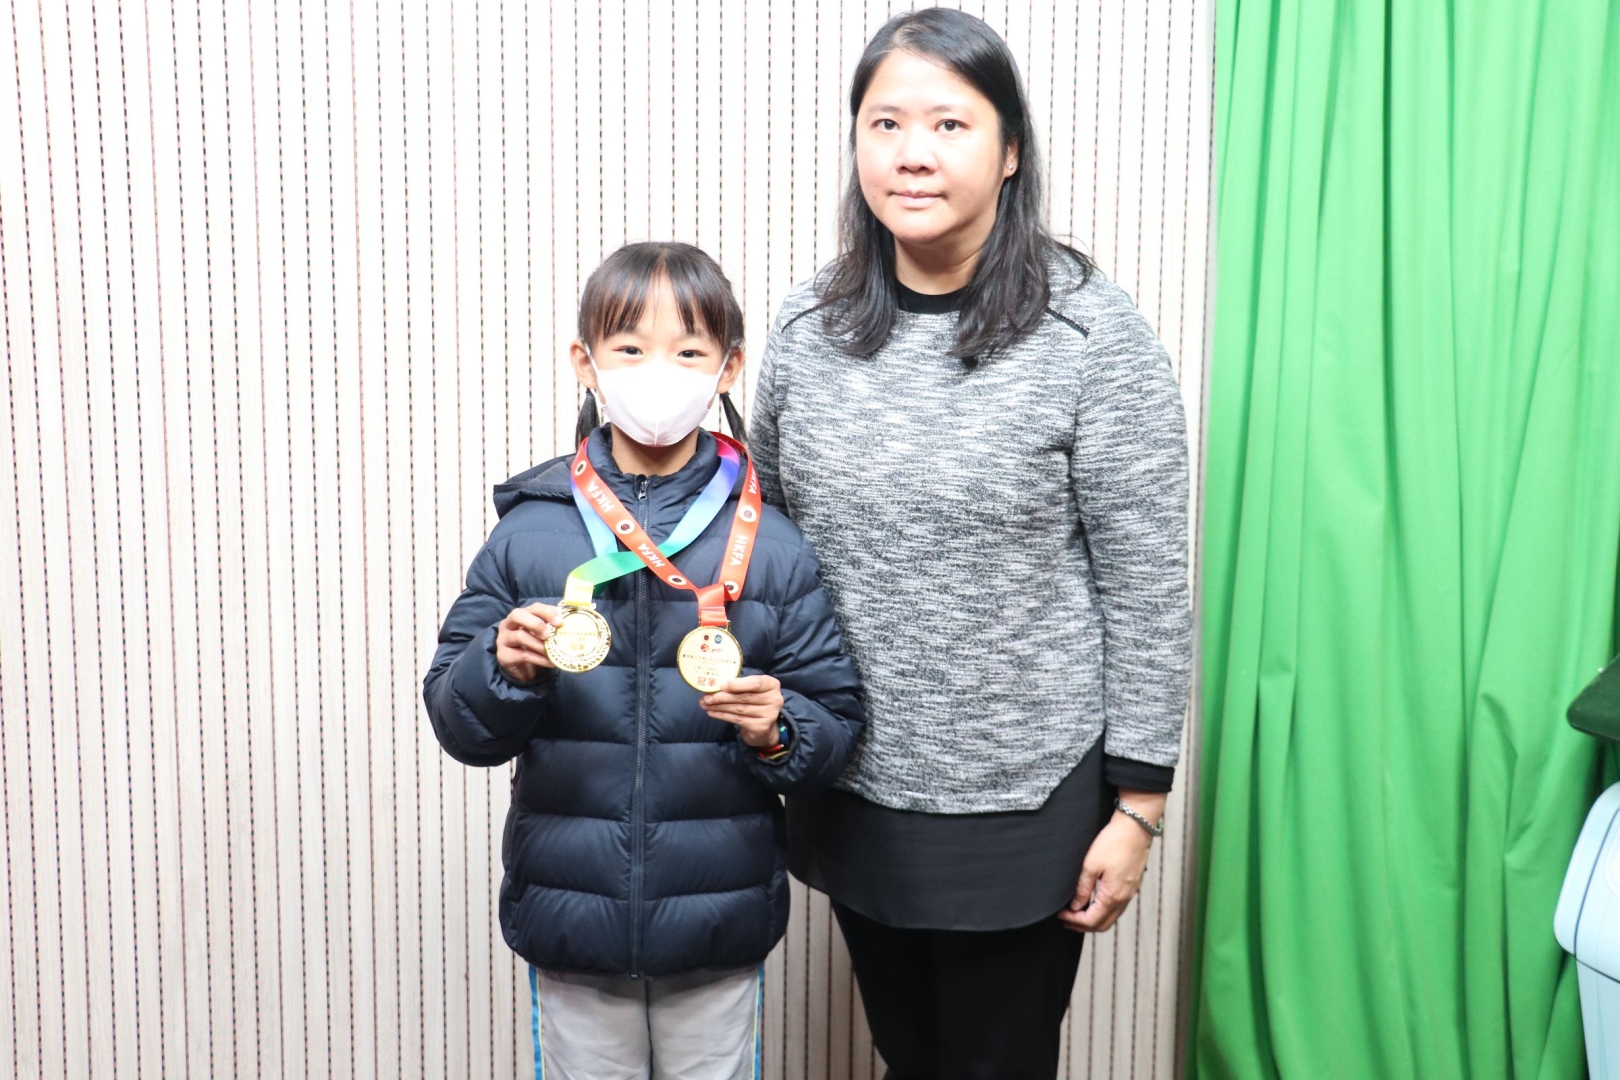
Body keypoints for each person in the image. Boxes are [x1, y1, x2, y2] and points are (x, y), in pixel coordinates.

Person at [749, 9, 1192, 1079]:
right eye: (886, 123)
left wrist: (1138, 808)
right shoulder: (808, 328)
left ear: (1010, 152)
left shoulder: (1092, 334)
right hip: (853, 783)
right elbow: (765, 542)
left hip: (1025, 795)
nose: (913, 153)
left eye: (949, 124)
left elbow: (1148, 585)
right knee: (906, 1055)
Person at [423, 241, 865, 1080]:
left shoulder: (770, 542)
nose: (658, 372)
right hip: (572, 913)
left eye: (689, 351)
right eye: (629, 348)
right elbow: (457, 719)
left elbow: (835, 727)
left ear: (728, 367)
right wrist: (501, 669)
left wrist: (779, 729)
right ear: (584, 361)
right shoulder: (531, 529)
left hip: (718, 918)